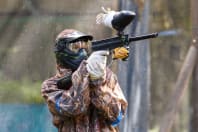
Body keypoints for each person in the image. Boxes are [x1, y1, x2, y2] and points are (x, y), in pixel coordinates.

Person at [41, 28, 129, 132]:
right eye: (75, 47)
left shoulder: (106, 75)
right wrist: (85, 72)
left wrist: (98, 83)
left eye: (84, 46)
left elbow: (116, 117)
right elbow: (74, 107)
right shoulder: (51, 86)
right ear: (62, 50)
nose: (82, 52)